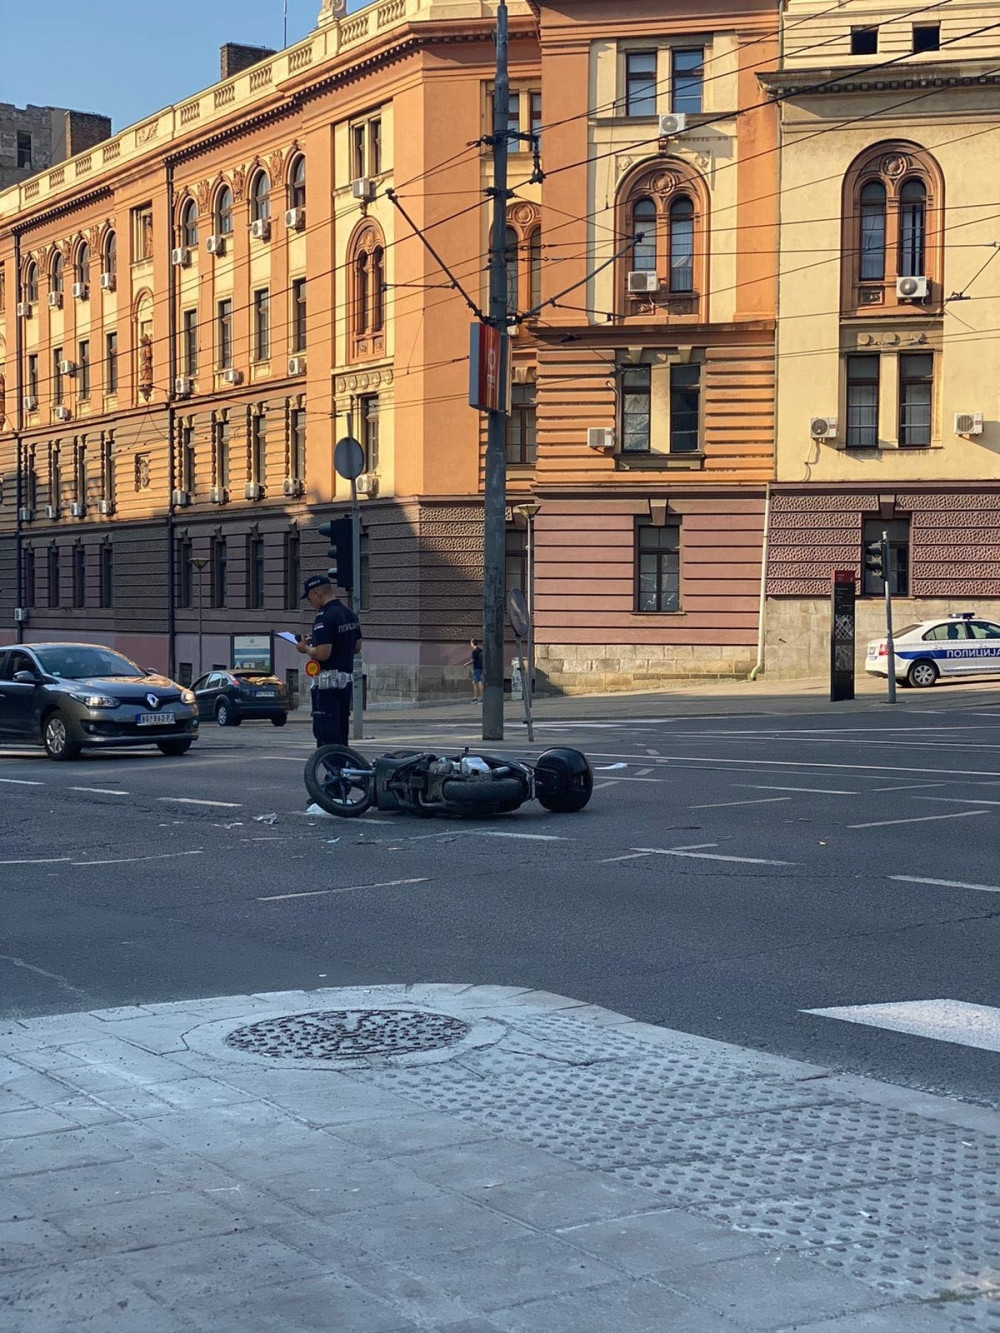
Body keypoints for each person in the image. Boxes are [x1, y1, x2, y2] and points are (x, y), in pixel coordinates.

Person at [296, 575, 361, 747]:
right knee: (341, 733)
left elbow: (323, 654)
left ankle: (332, 771)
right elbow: (357, 646)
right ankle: (342, 769)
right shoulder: (350, 614)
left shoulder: (323, 617)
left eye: (310, 599)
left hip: (327, 686)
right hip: (345, 683)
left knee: (326, 734)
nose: (311, 603)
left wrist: (306, 648)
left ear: (316, 593)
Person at [464, 638, 483, 703]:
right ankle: (475, 697)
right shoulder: (481, 650)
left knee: (479, 681)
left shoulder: (474, 651)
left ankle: (482, 697)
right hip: (481, 667)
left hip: (477, 667)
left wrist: (466, 664)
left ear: (472, 644)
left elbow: (472, 660)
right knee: (474, 682)